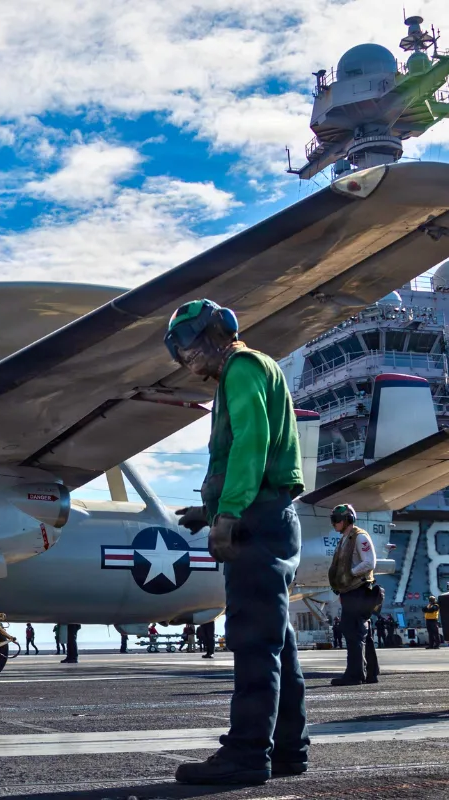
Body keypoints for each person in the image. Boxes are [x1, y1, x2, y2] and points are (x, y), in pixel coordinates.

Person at [166, 298, 307, 785]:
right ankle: (288, 749)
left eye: (186, 346)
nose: (186, 360)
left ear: (214, 334)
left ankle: (246, 755)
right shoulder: (254, 369)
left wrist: (228, 512)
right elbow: (254, 453)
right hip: (271, 515)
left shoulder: (241, 368)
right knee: (277, 642)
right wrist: (208, 509)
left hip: (255, 518)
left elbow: (251, 441)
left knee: (252, 642)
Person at [328, 504, 378, 686]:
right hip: (351, 592)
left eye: (337, 520)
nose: (334, 524)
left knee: (352, 631)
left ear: (347, 519)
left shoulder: (359, 537)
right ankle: (371, 672)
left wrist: (350, 574)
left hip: (359, 590)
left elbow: (370, 562)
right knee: (362, 632)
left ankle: (355, 674)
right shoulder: (344, 539)